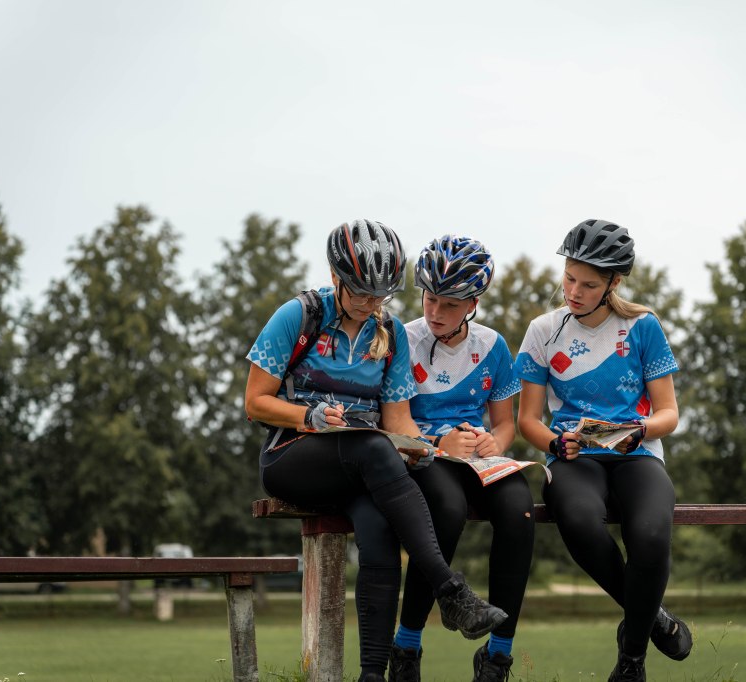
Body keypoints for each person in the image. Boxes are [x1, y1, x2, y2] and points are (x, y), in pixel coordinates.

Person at [244, 220, 507, 682]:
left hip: (361, 466)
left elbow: (397, 420)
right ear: (335, 276)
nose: (371, 305)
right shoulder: (298, 316)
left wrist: (423, 448)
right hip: (293, 457)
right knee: (371, 446)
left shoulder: (390, 332)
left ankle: (372, 675)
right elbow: (254, 403)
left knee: (380, 534)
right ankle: (449, 589)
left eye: (381, 296)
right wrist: (308, 416)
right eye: (362, 294)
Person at [514, 219, 693, 682]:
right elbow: (527, 420)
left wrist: (640, 429)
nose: (574, 291)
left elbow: (669, 413)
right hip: (574, 458)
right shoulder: (542, 331)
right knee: (577, 520)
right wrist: (555, 442)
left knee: (651, 535)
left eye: (588, 284)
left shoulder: (643, 326)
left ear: (613, 283)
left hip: (637, 454)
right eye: (569, 278)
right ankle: (653, 617)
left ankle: (631, 660)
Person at [388, 236, 533, 682]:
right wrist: (439, 442)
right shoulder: (400, 338)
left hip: (475, 458)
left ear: (473, 304)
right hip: (422, 454)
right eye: (429, 299)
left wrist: (494, 443)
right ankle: (406, 648)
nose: (435, 312)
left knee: (520, 511)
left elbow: (505, 425)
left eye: (449, 305)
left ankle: (498, 656)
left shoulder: (493, 346)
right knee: (447, 511)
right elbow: (392, 421)